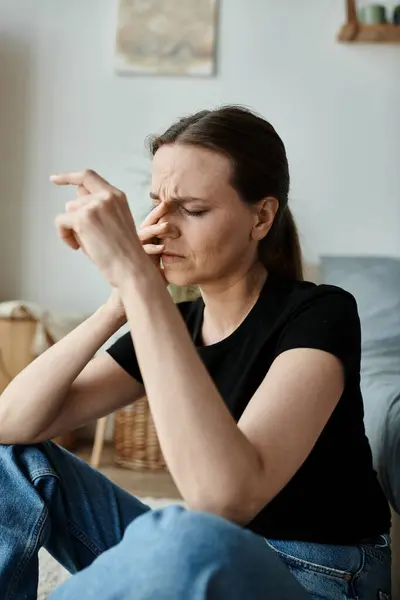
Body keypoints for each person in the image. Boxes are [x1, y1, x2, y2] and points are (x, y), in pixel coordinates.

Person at [0, 106, 392, 600]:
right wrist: (117, 305)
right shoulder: (177, 325)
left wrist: (140, 284)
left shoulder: (320, 313)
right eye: (156, 205)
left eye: (193, 209)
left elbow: (224, 501)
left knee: (185, 535)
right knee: (13, 462)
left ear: (262, 216)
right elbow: (10, 424)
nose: (162, 226)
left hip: (320, 572)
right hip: (215, 549)